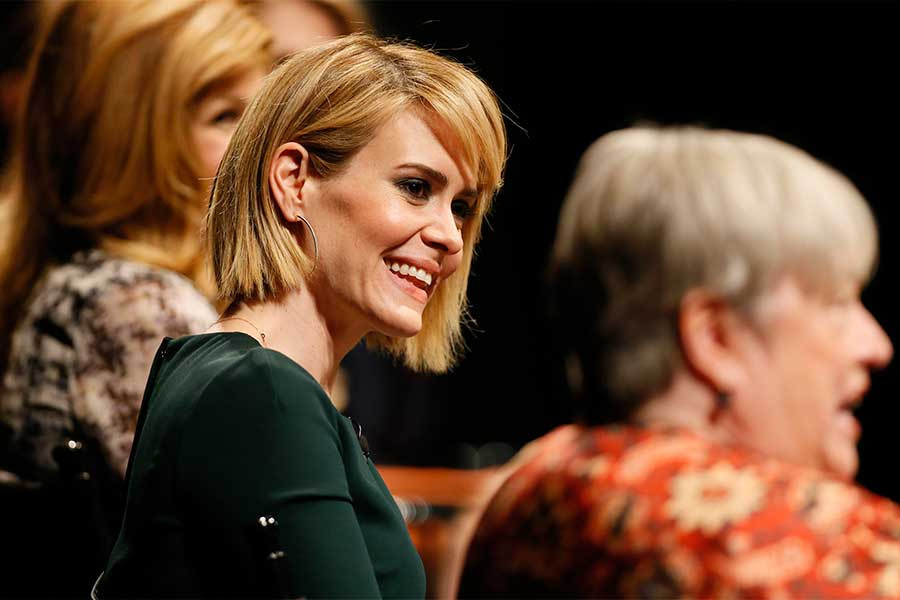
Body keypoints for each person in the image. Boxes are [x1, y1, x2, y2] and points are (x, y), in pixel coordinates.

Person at [96, 33, 506, 598]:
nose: (450, 237)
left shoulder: (220, 370)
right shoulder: (263, 392)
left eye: (461, 207)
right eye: (415, 188)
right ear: (294, 181)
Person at [459, 126, 900, 598]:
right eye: (836, 303)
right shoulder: (828, 543)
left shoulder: (527, 493)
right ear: (717, 338)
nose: (876, 345)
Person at [0, 1, 269, 594]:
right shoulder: (139, 309)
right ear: (135, 142)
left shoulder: (86, 283)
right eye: (227, 117)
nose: (263, 150)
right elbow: (255, 556)